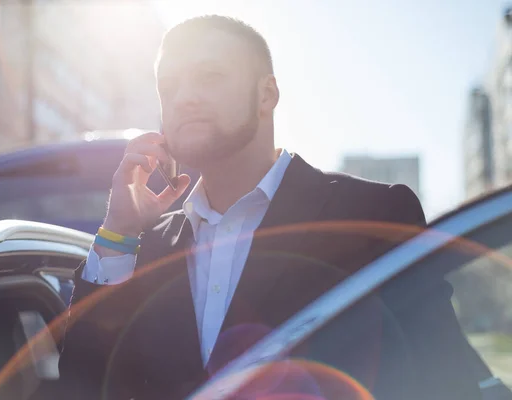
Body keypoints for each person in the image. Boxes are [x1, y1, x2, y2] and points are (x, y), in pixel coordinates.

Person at [56, 15, 483, 400]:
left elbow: (446, 380)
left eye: (209, 76)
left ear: (267, 95)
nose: (184, 98)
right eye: (169, 87)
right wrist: (117, 232)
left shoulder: (371, 215)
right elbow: (85, 386)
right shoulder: (144, 248)